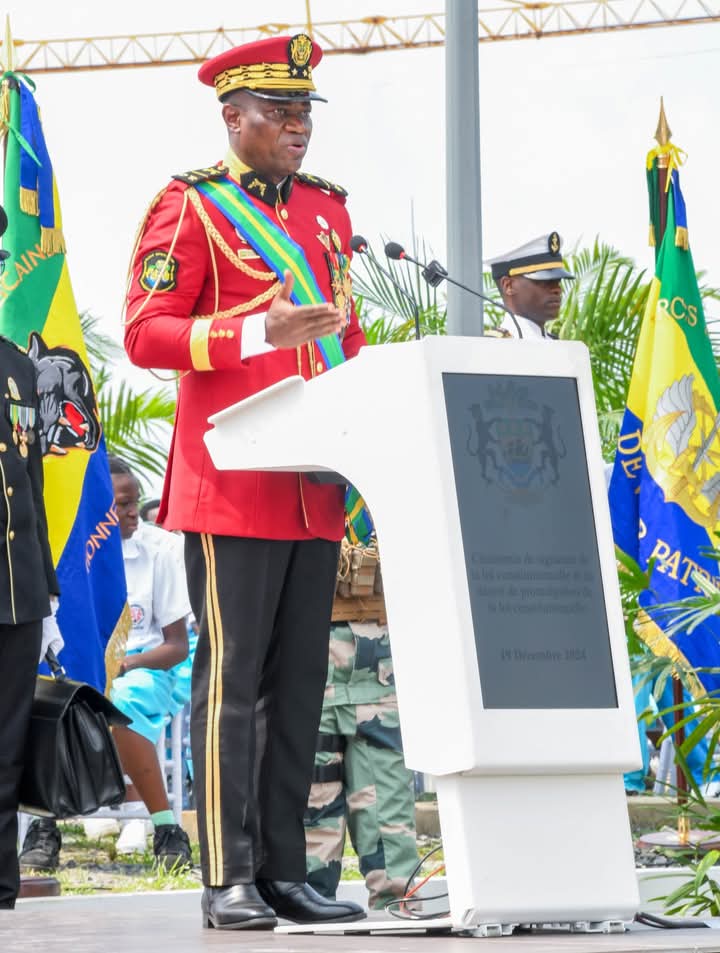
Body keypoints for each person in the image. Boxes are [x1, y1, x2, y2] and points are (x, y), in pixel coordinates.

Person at [123, 34, 366, 930]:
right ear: (234, 117)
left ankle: (284, 871)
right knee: (230, 685)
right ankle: (228, 874)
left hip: (313, 486)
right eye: (281, 112)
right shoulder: (189, 206)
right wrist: (256, 332)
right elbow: (145, 332)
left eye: (306, 112)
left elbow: (346, 335)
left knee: (298, 686)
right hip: (232, 483)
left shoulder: (327, 211)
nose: (299, 126)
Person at [20, 456, 193, 872]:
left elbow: (176, 647)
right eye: (121, 505)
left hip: (148, 670)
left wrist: (127, 664)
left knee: (117, 704)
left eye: (134, 502)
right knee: (54, 703)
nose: (132, 512)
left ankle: (167, 828)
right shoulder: (71, 556)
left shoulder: (160, 550)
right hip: (84, 670)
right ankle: (45, 828)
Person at [0, 197, 60, 909]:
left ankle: (1, 880)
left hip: (16, 589)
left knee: (8, 739)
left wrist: (46, 586)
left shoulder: (17, 367)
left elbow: (33, 484)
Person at [305, 620, 419, 910]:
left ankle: (397, 907)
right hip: (308, 660)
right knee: (312, 811)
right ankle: (308, 908)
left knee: (388, 812)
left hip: (378, 664)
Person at [486, 231, 575, 338]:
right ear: (508, 286)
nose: (557, 289)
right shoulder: (493, 345)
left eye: (558, 281)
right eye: (544, 282)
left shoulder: (555, 343)